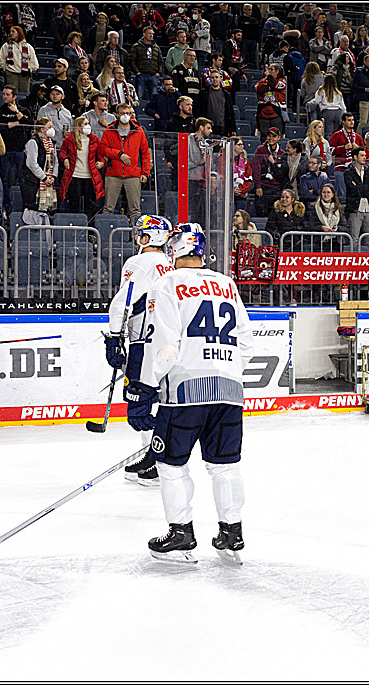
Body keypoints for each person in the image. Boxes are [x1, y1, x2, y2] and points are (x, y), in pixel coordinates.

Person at [124, 222, 253, 564]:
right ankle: (231, 533)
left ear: (175, 250)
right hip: (229, 391)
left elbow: (165, 345)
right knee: (225, 467)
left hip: (184, 392)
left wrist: (146, 384)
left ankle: (181, 533)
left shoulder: (167, 283)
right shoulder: (227, 283)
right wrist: (224, 370)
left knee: (170, 465)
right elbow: (247, 342)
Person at [105, 214, 174, 484]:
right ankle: (153, 456)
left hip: (144, 341)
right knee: (158, 400)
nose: (138, 237)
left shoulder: (140, 261)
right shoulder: (168, 265)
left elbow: (122, 302)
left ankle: (159, 460)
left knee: (138, 404)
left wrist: (112, 338)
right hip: (167, 343)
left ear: (150, 238)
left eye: (142, 233)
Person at [100, 103, 151, 223]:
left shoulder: (138, 131)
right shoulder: (109, 130)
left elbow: (145, 153)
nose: (125, 116)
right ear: (117, 115)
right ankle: (106, 233)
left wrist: (145, 172)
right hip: (113, 174)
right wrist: (119, 154)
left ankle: (136, 237)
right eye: (123, 113)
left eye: (128, 113)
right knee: (108, 208)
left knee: (135, 209)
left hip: (133, 174)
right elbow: (103, 149)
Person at [58, 116, 105, 217]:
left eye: (88, 123)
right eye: (85, 124)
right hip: (75, 176)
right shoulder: (69, 140)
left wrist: (101, 163)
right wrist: (65, 159)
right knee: (73, 204)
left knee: (90, 206)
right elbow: (62, 152)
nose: (88, 126)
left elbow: (100, 156)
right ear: (78, 127)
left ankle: (89, 229)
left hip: (89, 177)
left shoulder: (94, 140)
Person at [343, 148, 369, 240]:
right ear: (355, 157)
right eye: (362, 155)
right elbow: (352, 190)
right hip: (355, 209)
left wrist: (359, 187)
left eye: (365, 155)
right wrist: (367, 187)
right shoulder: (348, 173)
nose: (364, 157)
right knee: (354, 239)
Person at [0, 25, 38, 92]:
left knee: (24, 93)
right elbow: (2, 59)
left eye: (13, 31)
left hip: (24, 74)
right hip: (11, 73)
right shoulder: (6, 46)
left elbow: (33, 60)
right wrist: (6, 68)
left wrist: (30, 69)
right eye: (10, 31)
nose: (11, 33)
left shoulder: (28, 46)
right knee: (11, 93)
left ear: (19, 33)